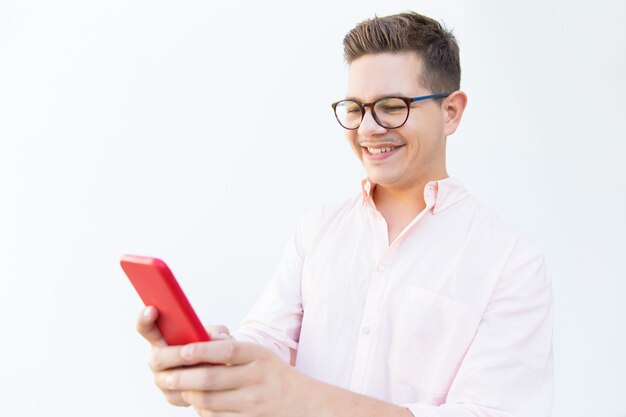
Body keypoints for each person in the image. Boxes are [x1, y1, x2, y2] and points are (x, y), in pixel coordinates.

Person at [136, 11, 553, 417]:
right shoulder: (317, 230)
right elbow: (267, 343)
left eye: (392, 106)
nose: (368, 129)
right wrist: (211, 363)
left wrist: (296, 396)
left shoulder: (511, 262)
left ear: (451, 112)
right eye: (355, 108)